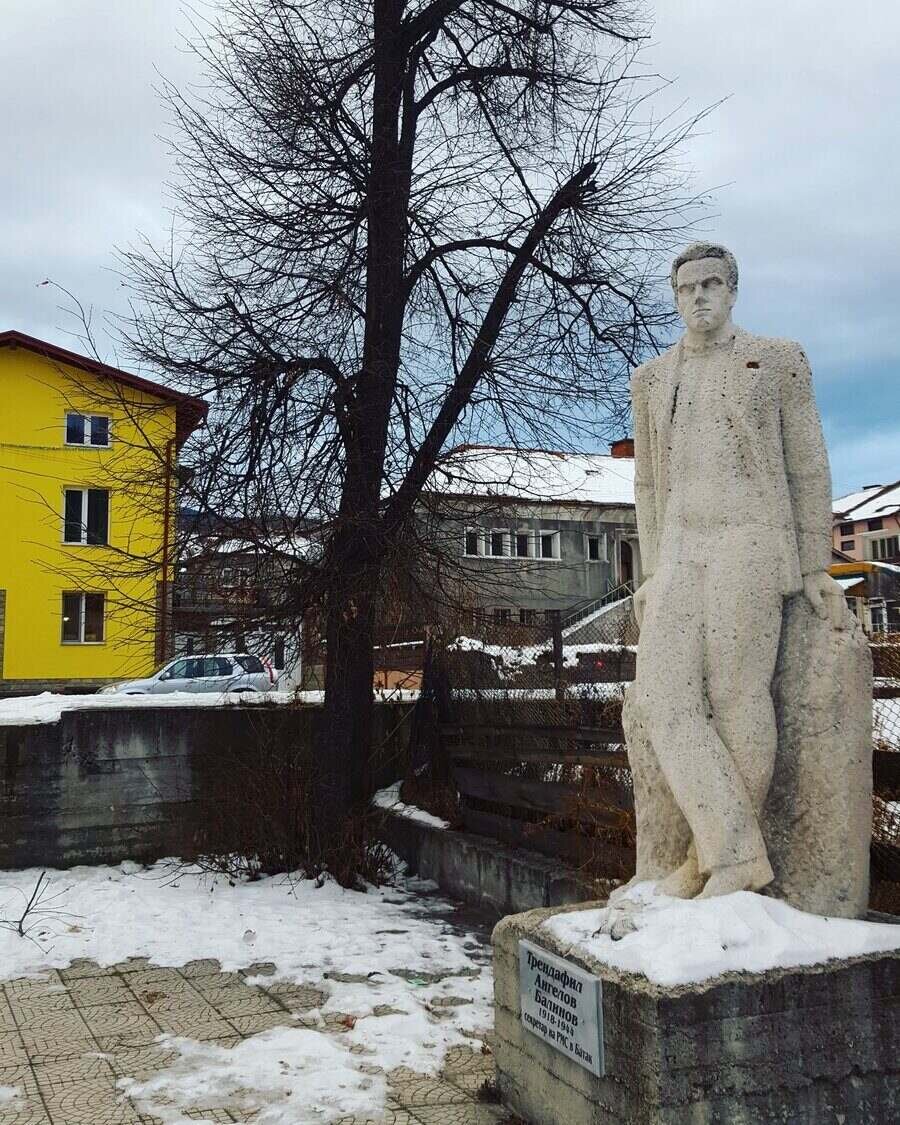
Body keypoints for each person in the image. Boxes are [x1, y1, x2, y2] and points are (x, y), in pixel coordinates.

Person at [623, 242, 841, 900]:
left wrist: (815, 564)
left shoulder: (776, 360)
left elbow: (808, 461)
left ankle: (713, 862)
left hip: (750, 538)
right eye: (687, 288)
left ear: (733, 290)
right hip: (681, 547)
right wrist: (652, 570)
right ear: (675, 296)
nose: (699, 296)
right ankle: (731, 849)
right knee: (663, 699)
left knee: (737, 693)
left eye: (712, 284)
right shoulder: (652, 379)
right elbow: (647, 483)